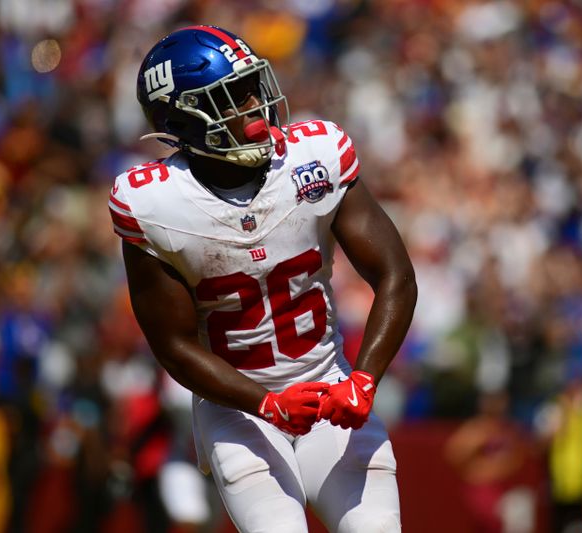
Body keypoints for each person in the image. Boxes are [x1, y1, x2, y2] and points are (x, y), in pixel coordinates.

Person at [109, 25, 417, 532]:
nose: (255, 104)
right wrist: (265, 402)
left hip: (330, 385)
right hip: (239, 409)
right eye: (232, 96)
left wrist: (364, 377)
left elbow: (396, 276)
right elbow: (172, 344)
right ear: (182, 116)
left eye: (254, 87)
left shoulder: (312, 157)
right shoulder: (153, 204)